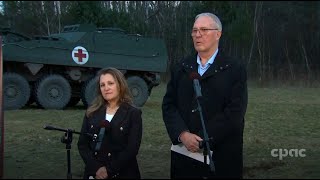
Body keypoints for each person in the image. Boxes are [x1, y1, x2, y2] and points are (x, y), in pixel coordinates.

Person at [162, 12, 248, 178]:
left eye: (204, 30)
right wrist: (182, 134)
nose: (197, 35)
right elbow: (169, 105)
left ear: (218, 34)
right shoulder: (181, 67)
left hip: (222, 158)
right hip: (184, 158)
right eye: (194, 31)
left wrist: (203, 138)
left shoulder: (234, 69)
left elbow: (235, 111)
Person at [77, 67, 143, 179]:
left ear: (120, 85)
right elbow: (83, 145)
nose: (106, 88)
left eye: (110, 83)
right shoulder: (92, 112)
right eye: (102, 85)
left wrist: (108, 170)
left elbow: (131, 149)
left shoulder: (133, 113)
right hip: (94, 173)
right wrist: (96, 168)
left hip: (123, 173)